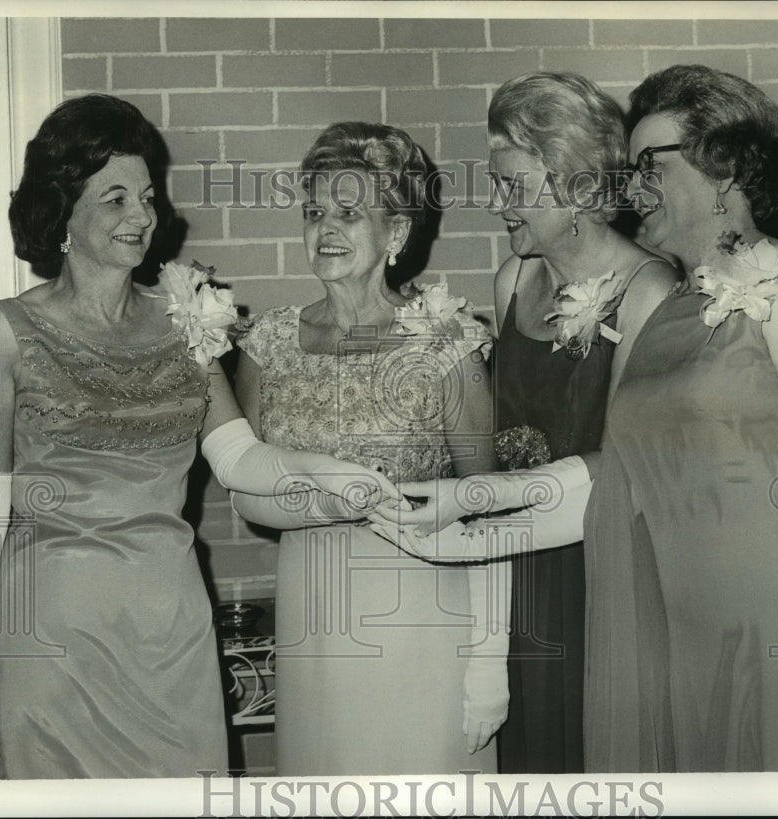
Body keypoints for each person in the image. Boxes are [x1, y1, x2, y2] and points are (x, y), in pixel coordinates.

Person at [379, 64, 778, 773]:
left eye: (649, 164)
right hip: (690, 639)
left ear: (725, 167)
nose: (626, 184)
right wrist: (465, 520)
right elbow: (615, 490)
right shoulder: (673, 309)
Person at [0, 94, 397, 779]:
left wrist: (330, 471)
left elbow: (240, 457)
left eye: (147, 197)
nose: (141, 217)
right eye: (115, 198)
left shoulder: (185, 320)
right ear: (63, 211)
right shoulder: (5, 331)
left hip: (170, 637)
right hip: (51, 641)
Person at [376, 71, 678, 774]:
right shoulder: (515, 283)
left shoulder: (650, 291)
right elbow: (495, 452)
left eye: (512, 185)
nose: (494, 203)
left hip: (609, 578)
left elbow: (635, 474)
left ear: (574, 186)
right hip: (518, 568)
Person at [229, 121, 504, 776]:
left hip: (425, 627)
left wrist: (491, 660)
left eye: (350, 213)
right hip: (313, 628)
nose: (326, 228)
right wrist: (340, 496)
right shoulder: (269, 343)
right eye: (315, 211)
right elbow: (247, 496)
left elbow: (493, 509)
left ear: (398, 233)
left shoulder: (446, 341)